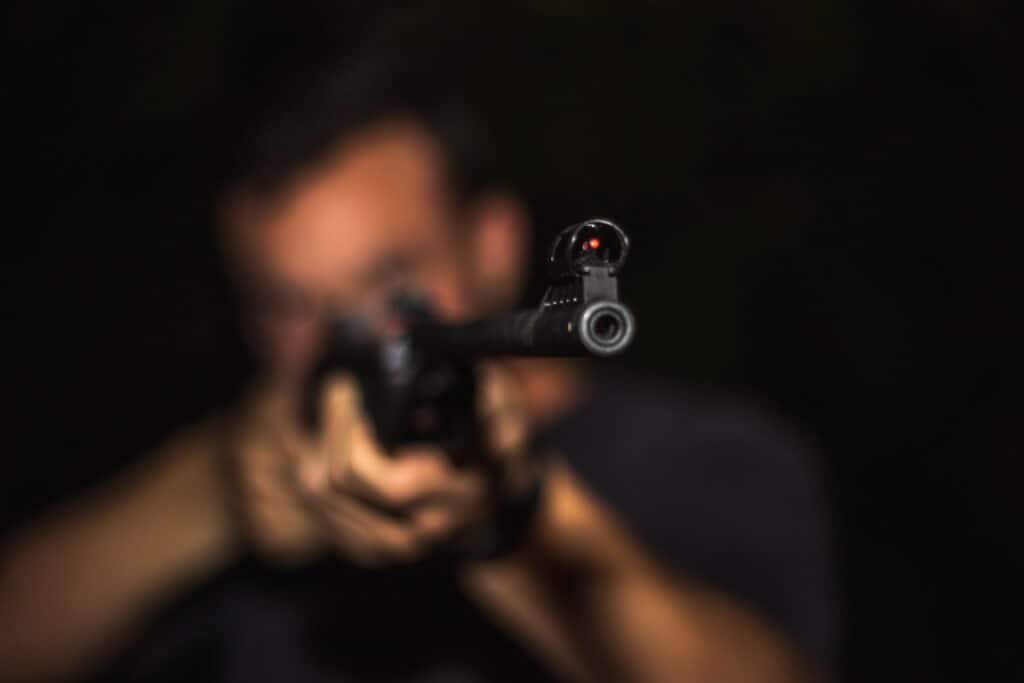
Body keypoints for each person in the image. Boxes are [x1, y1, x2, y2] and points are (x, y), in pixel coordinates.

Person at [0, 50, 834, 683]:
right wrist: (212, 492)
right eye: (291, 302)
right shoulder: (249, 479)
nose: (344, 331)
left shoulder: (703, 458)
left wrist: (515, 519)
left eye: (388, 277)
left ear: (495, 245)